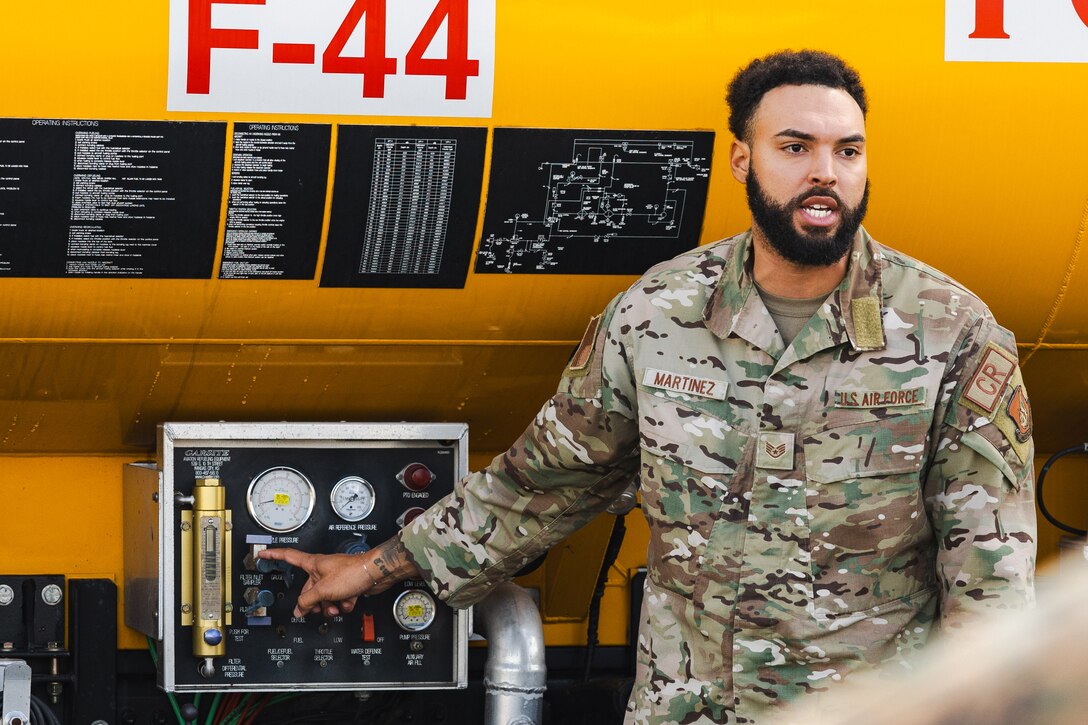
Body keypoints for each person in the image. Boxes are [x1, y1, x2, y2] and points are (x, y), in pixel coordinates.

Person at [260, 50, 1037, 724]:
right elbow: (543, 482)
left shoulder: (949, 332)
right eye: (795, 147)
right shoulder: (658, 314)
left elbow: (992, 581)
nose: (824, 172)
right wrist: (372, 567)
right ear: (743, 159)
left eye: (848, 150)